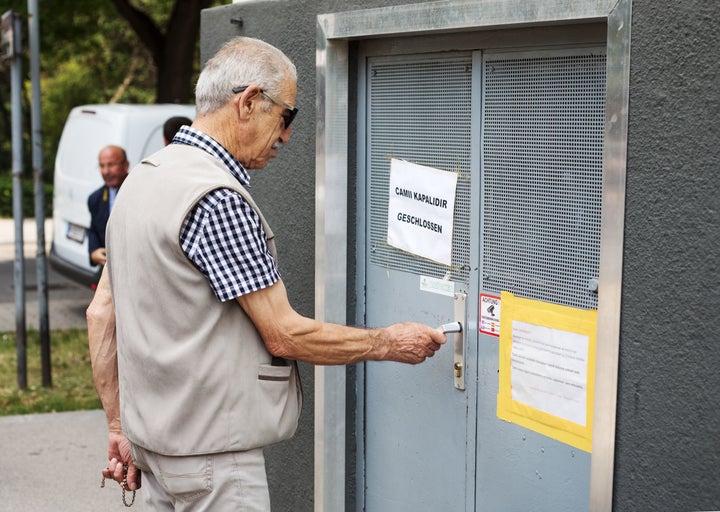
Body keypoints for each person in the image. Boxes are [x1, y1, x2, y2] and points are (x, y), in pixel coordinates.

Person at [87, 36, 446, 511]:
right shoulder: (217, 200)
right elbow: (283, 334)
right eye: (287, 116)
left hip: (153, 452)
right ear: (249, 102)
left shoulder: (142, 181)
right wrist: (390, 343)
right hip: (213, 464)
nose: (287, 136)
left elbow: (100, 317)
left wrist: (118, 427)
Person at [86, 145, 129, 267]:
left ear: (126, 165)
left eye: (111, 165)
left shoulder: (138, 191)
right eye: (102, 166)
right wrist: (93, 252)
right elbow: (93, 229)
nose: (106, 171)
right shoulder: (95, 199)